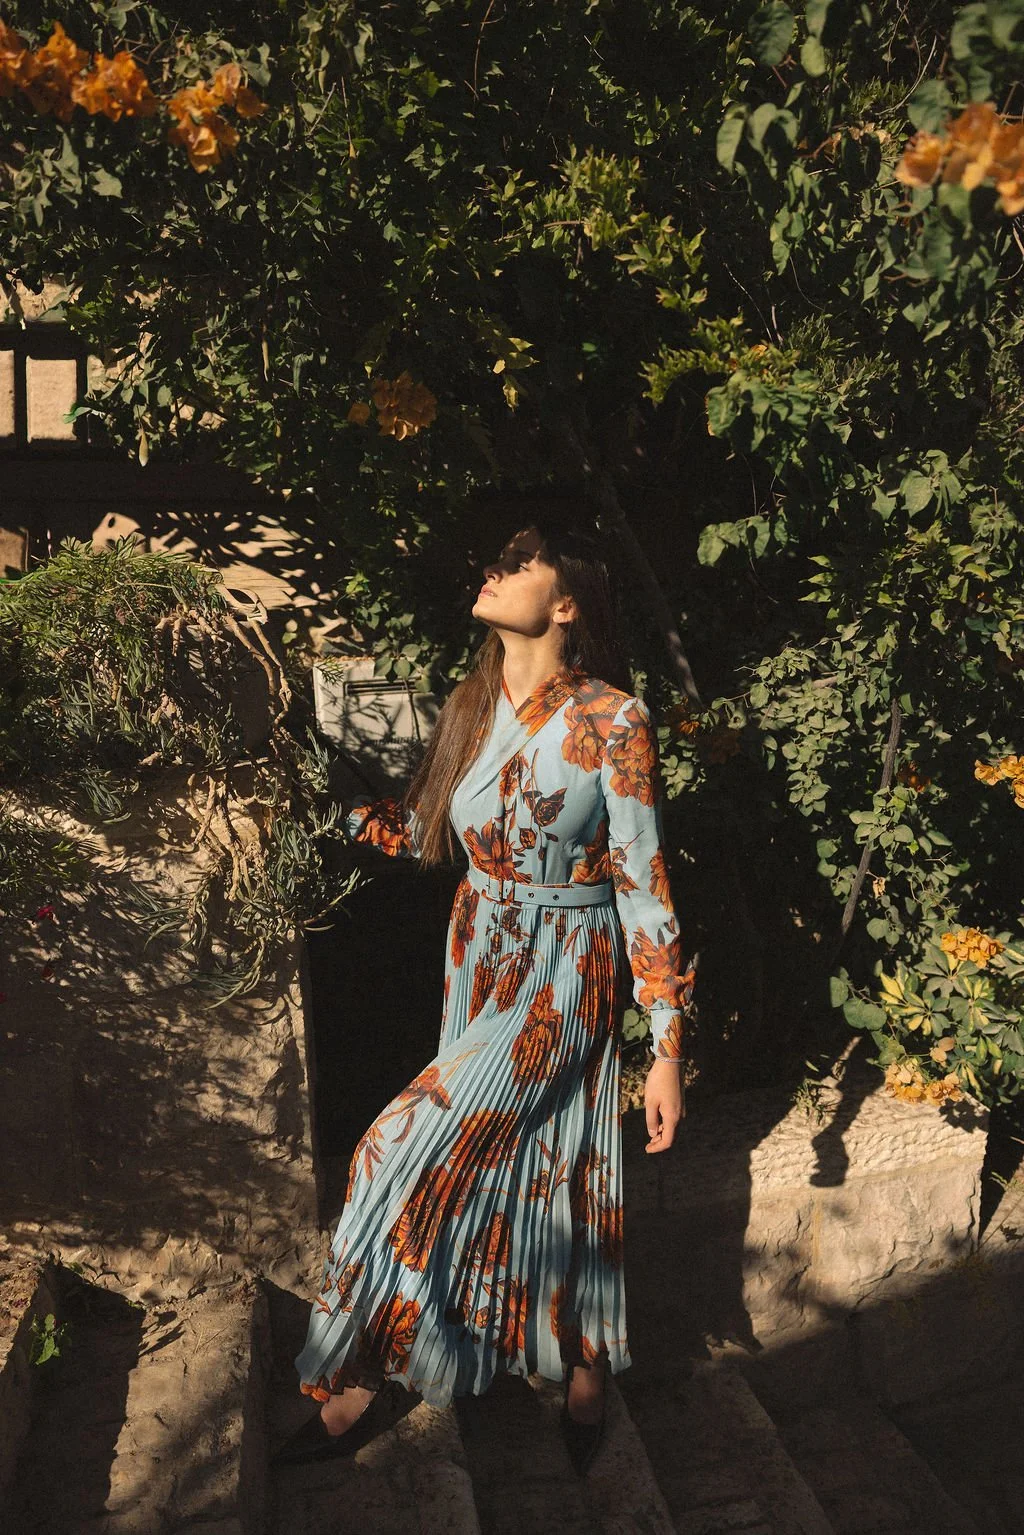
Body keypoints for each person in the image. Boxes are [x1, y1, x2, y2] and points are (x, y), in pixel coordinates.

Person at [273, 518, 696, 1476]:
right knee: (551, 1160)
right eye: (494, 557)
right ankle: (584, 1368)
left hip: (564, 972)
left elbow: (643, 878)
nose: (494, 571)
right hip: (480, 958)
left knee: (395, 1140)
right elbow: (426, 833)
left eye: (520, 561)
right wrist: (306, 805)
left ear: (568, 599)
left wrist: (664, 1042)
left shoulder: (613, 720)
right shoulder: (468, 703)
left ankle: (355, 1382)